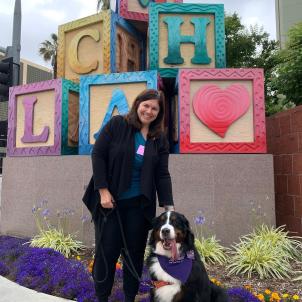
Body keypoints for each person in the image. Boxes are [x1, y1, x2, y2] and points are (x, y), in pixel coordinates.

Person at [83, 89, 174, 302]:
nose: (149, 111)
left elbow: (162, 174)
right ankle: (102, 297)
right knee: (107, 254)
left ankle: (129, 297)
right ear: (137, 104)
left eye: (154, 108)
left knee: (134, 255)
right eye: (146, 105)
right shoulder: (117, 125)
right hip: (110, 204)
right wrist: (103, 190)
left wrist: (169, 207)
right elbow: (98, 154)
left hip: (139, 207)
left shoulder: (158, 138)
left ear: (158, 113)